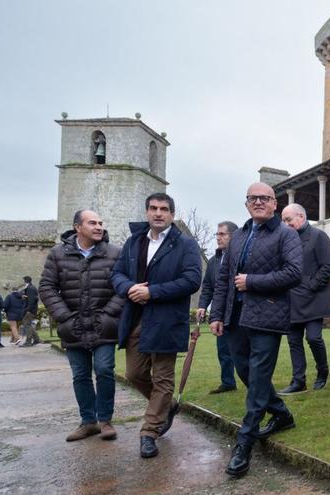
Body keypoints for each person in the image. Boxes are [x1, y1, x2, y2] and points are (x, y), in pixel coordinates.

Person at [209, 183, 302, 477]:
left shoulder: (286, 235)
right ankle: (282, 414)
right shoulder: (237, 237)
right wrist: (217, 314)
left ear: (275, 203)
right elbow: (224, 278)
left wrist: (252, 282)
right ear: (247, 203)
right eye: (253, 198)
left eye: (265, 198)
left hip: (267, 317)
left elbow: (294, 273)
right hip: (235, 318)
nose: (259, 202)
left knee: (258, 378)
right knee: (246, 374)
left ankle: (244, 443)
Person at [110, 193, 202, 459]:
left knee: (162, 378)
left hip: (166, 320)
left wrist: (154, 292)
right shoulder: (133, 242)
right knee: (134, 374)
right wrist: (130, 288)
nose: (158, 213)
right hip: (136, 318)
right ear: (147, 212)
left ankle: (149, 432)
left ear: (172, 214)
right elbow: (116, 274)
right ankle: (167, 405)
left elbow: (192, 280)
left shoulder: (185, 244)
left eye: (164, 209)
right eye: (153, 208)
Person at [39, 209, 125, 442]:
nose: (98, 227)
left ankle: (105, 420)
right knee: (80, 375)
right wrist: (65, 317)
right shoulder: (57, 254)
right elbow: (47, 287)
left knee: (105, 370)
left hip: (103, 325)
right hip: (73, 326)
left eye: (100, 222)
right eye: (92, 223)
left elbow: (124, 287)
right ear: (78, 227)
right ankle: (88, 422)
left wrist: (108, 314)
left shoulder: (115, 253)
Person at [279, 203, 330, 395]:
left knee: (313, 337)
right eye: (283, 221)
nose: (285, 224)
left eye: (288, 220)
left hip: (313, 298)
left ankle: (322, 370)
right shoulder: (284, 240)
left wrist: (310, 285)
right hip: (291, 300)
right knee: (293, 341)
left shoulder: (319, 236)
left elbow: (327, 266)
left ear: (301, 217)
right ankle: (298, 381)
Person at [197, 221, 239, 395]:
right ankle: (228, 382)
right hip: (220, 314)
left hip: (239, 311)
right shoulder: (214, 261)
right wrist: (202, 306)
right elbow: (207, 287)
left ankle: (256, 383)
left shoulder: (240, 257)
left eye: (223, 234)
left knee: (245, 351)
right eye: (217, 234)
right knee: (223, 350)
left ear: (233, 236)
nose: (218, 238)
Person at [18, 276, 40, 346]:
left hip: (29, 310)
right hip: (31, 309)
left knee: (27, 325)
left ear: (25, 281)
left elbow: (32, 300)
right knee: (28, 325)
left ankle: (28, 342)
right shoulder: (30, 288)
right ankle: (36, 339)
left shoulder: (30, 288)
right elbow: (32, 298)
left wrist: (28, 310)